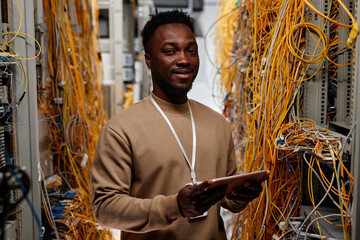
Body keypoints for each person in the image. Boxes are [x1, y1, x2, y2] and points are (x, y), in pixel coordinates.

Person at [91, 9, 266, 240]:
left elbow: (225, 199)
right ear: (149, 60)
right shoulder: (121, 129)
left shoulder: (217, 124)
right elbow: (105, 210)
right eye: (170, 51)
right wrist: (174, 207)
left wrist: (237, 197)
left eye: (191, 51)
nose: (184, 59)